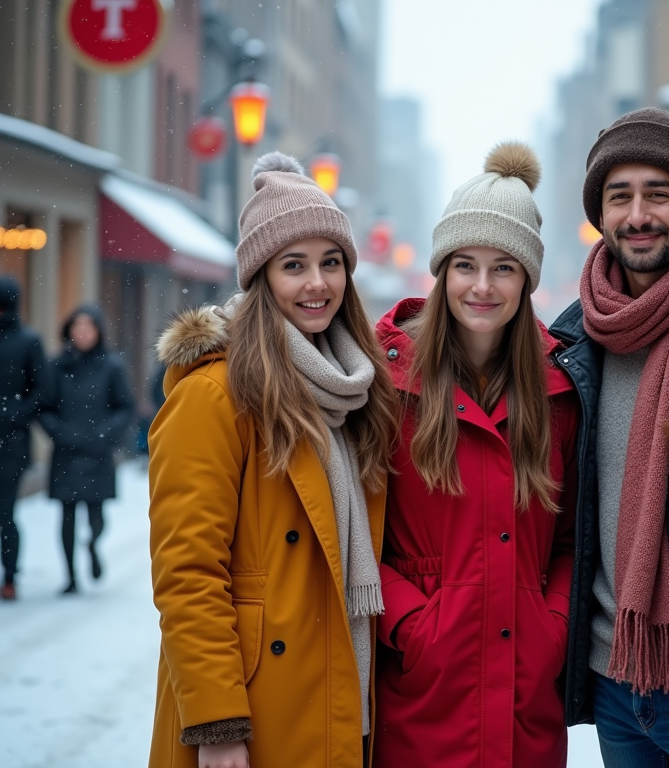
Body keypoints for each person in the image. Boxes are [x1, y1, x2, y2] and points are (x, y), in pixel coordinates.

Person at [147, 152, 399, 768]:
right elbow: (187, 572)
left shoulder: (354, 388)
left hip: (334, 688)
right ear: (261, 277)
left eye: (331, 262)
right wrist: (217, 725)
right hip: (253, 704)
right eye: (294, 265)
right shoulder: (214, 394)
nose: (318, 283)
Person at [372, 142, 578, 768]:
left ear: (527, 280)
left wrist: (553, 625)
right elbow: (355, 530)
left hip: (524, 702)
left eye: (504, 267)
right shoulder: (387, 383)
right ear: (441, 272)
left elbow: (570, 538)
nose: (482, 286)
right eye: (464, 265)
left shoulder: (560, 395)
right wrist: (414, 627)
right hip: (421, 698)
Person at [548, 108, 669, 765]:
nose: (638, 214)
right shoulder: (569, 341)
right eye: (620, 196)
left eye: (658, 194)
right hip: (614, 677)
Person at [39, 305, 134, 595]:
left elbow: (125, 407)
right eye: (76, 327)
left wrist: (104, 433)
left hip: (98, 452)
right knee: (66, 516)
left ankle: (92, 544)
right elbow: (44, 407)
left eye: (88, 327)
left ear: (98, 331)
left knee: (97, 515)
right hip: (66, 451)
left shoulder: (112, 366)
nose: (82, 333)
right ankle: (70, 576)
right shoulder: (56, 366)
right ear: (68, 331)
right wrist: (60, 432)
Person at [0, 276, 47, 601]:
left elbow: (42, 390)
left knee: (5, 513)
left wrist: (15, 413)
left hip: (11, 442)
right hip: (12, 438)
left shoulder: (28, 341)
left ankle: (10, 576)